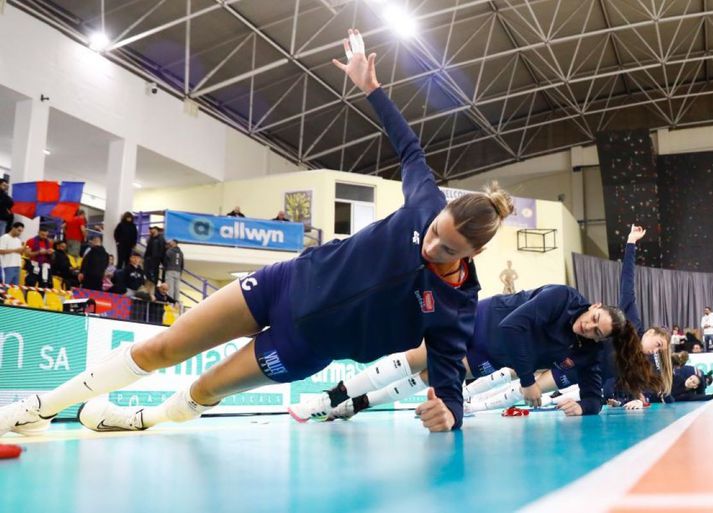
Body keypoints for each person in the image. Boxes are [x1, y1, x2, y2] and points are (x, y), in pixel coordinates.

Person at [0, 29, 514, 437]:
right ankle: (37, 408)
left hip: (302, 345)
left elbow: (448, 367)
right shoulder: (424, 204)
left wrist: (451, 412)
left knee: (204, 390)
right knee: (163, 347)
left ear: (475, 253)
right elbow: (409, 147)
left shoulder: (457, 305)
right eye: (435, 232)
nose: (431, 245)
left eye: (447, 248)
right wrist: (371, 88)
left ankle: (146, 418)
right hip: (284, 284)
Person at [318, 224, 671, 420]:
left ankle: (355, 406)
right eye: (593, 319)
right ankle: (335, 395)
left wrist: (584, 406)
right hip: (480, 324)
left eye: (596, 332)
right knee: (417, 358)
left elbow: (593, 394)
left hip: (492, 355)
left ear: (600, 340)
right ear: (594, 306)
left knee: (428, 377)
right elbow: (513, 326)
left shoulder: (588, 349)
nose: (589, 327)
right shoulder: (562, 297)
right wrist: (528, 381)